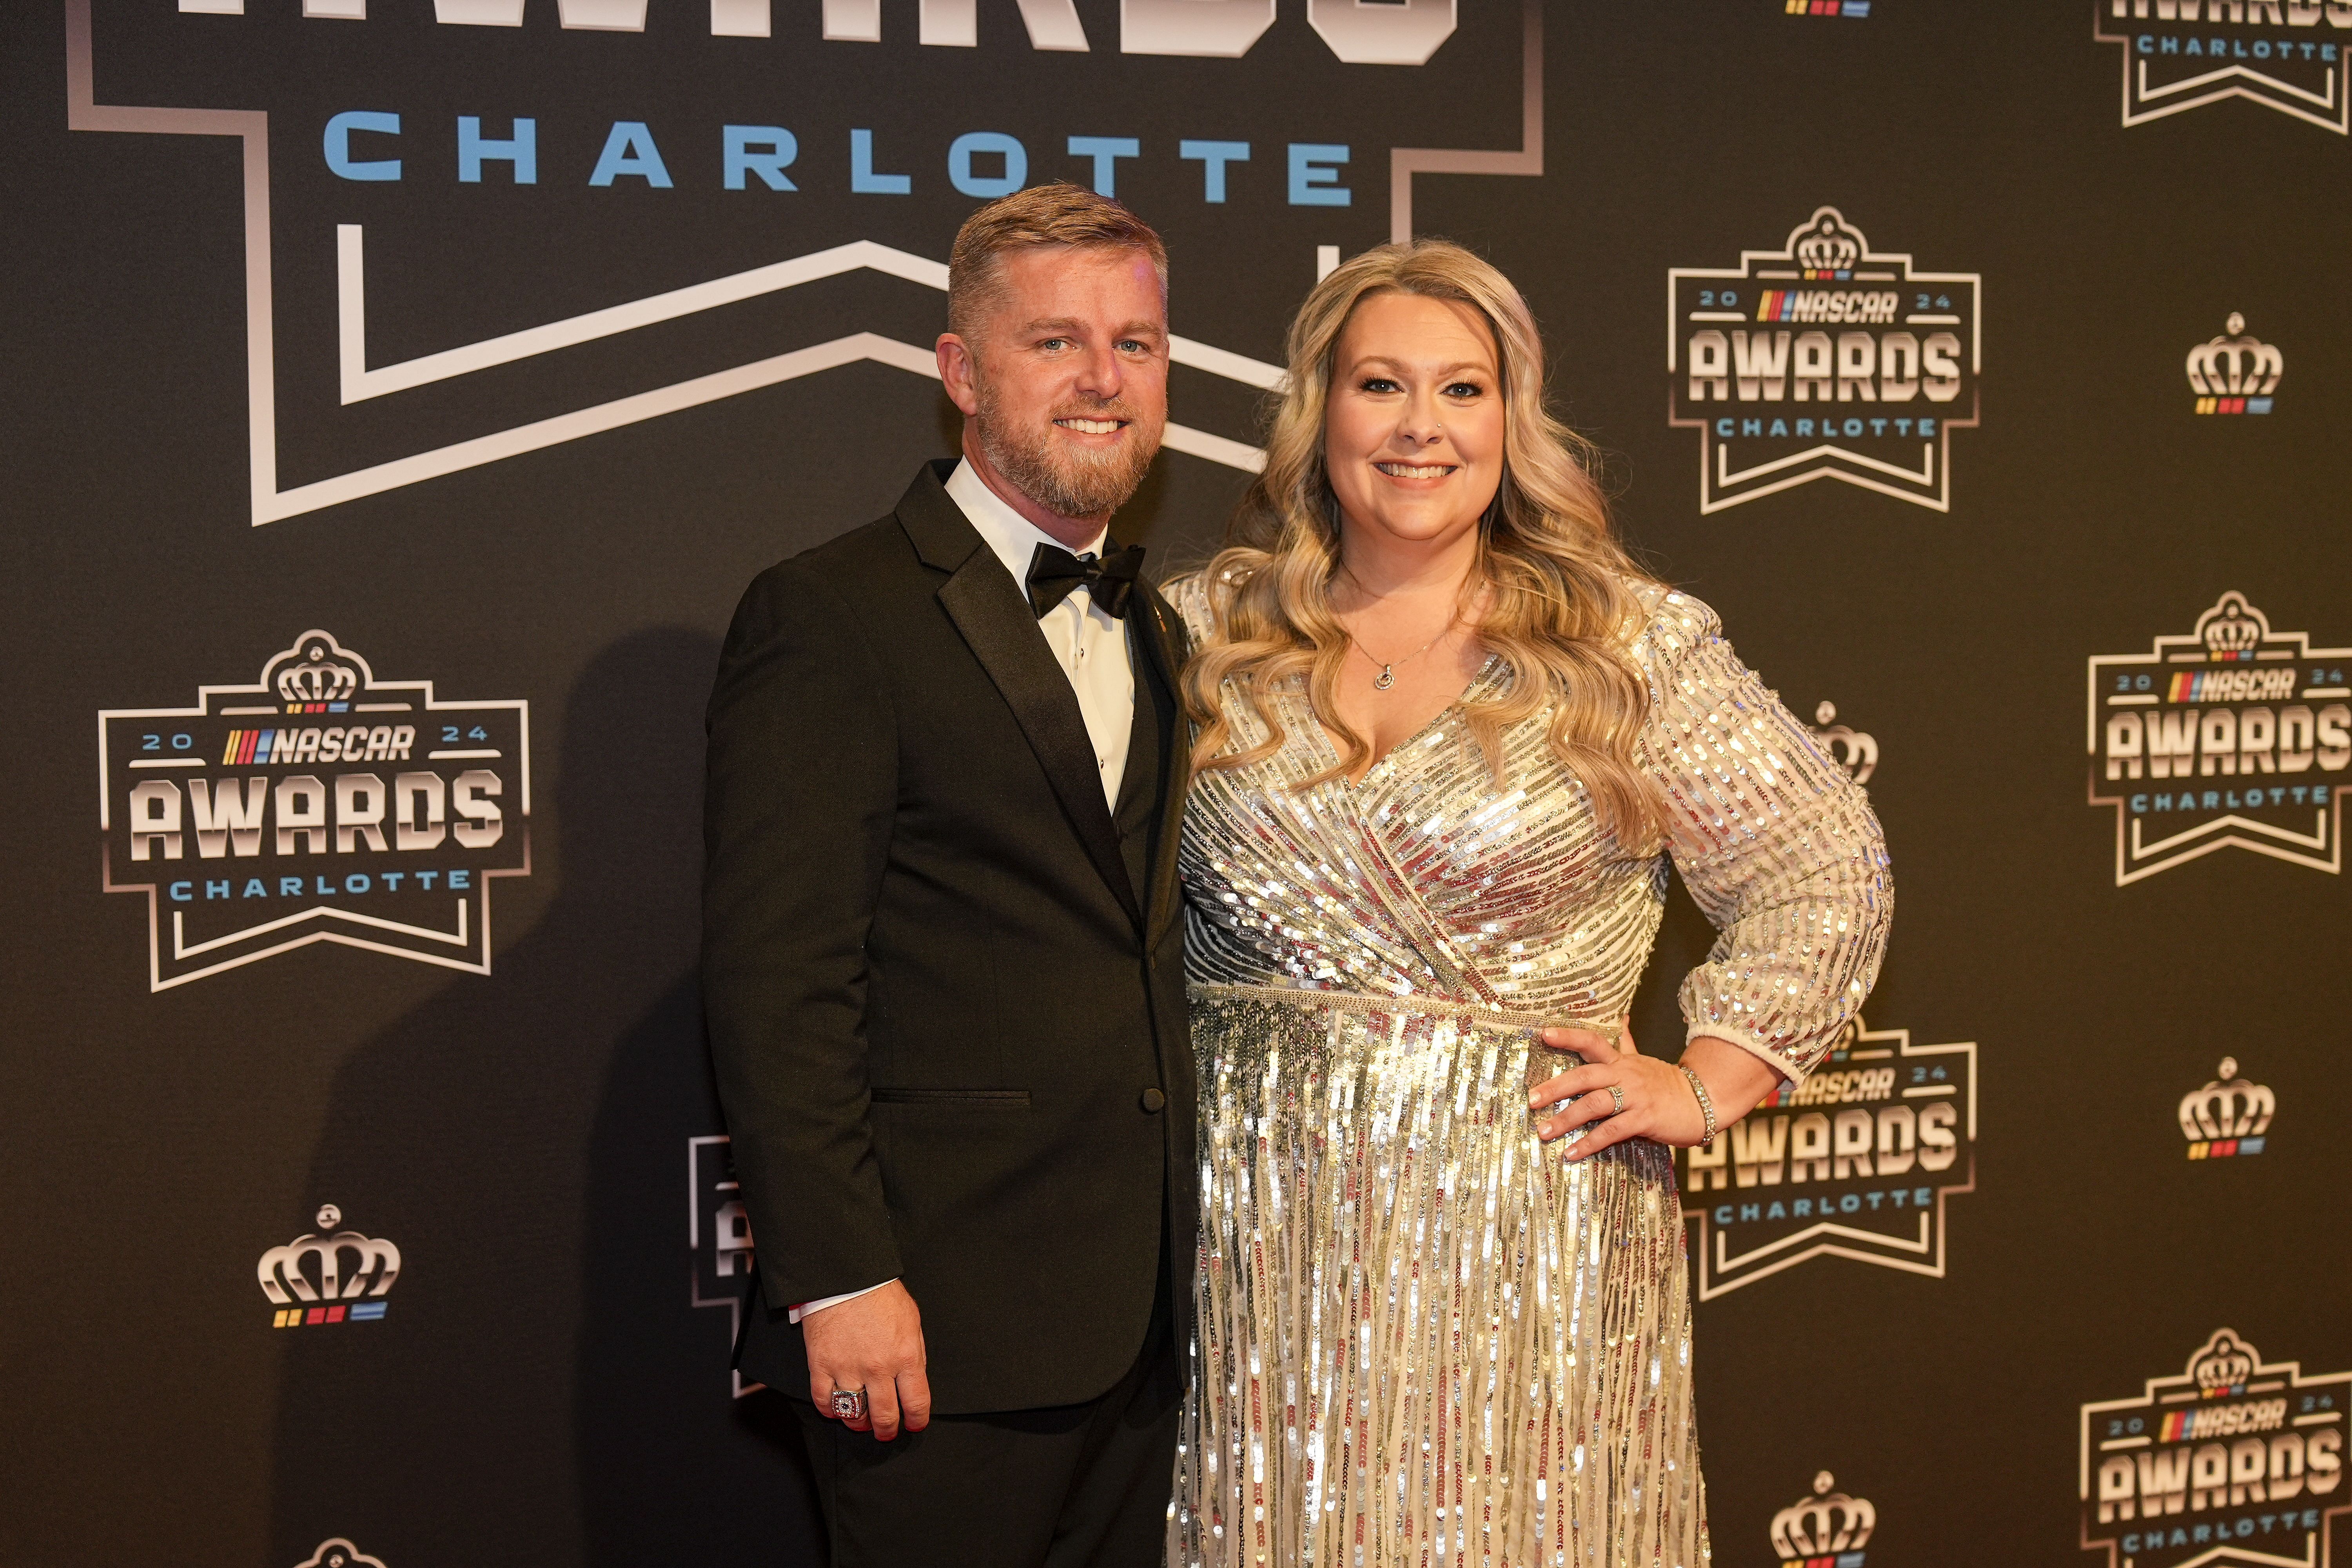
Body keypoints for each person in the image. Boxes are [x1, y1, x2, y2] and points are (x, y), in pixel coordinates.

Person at [1163, 241, 1892, 1565]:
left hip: (1536, 1233)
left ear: (1514, 420)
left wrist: (1710, 1081)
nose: (1421, 427)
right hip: (1262, 1240)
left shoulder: (1624, 646)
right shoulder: (1203, 637)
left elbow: (1823, 867)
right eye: (1381, 384)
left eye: (1464, 389)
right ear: (1320, 409)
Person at [700, 184, 1194, 1566]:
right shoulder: (832, 613)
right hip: (934, 1328)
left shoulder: (1165, 624)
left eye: (1138, 346)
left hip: (1146, 1322)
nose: (1105, 378)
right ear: (963, 371)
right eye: (1057, 343)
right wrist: (842, 1279)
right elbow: (780, 979)